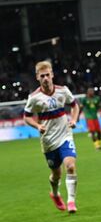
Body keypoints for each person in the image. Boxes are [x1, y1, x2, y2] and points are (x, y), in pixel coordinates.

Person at [23, 61, 80, 213]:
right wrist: (37, 126)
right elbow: (26, 117)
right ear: (37, 78)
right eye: (42, 76)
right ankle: (55, 194)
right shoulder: (34, 98)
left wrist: (74, 119)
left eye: (48, 75)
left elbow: (74, 105)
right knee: (56, 174)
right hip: (48, 140)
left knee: (70, 165)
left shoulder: (63, 91)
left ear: (52, 75)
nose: (46, 78)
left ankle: (71, 201)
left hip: (65, 135)